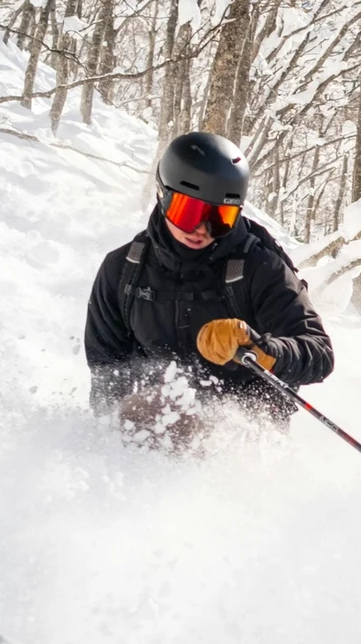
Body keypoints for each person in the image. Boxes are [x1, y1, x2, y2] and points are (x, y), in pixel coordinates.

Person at [84, 132, 333, 447]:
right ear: (163, 196)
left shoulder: (260, 268)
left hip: (245, 416)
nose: (201, 229)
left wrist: (263, 351)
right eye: (188, 213)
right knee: (142, 413)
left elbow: (318, 352)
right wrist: (110, 432)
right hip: (161, 410)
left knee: (211, 428)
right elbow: (107, 373)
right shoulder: (125, 270)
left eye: (220, 217)